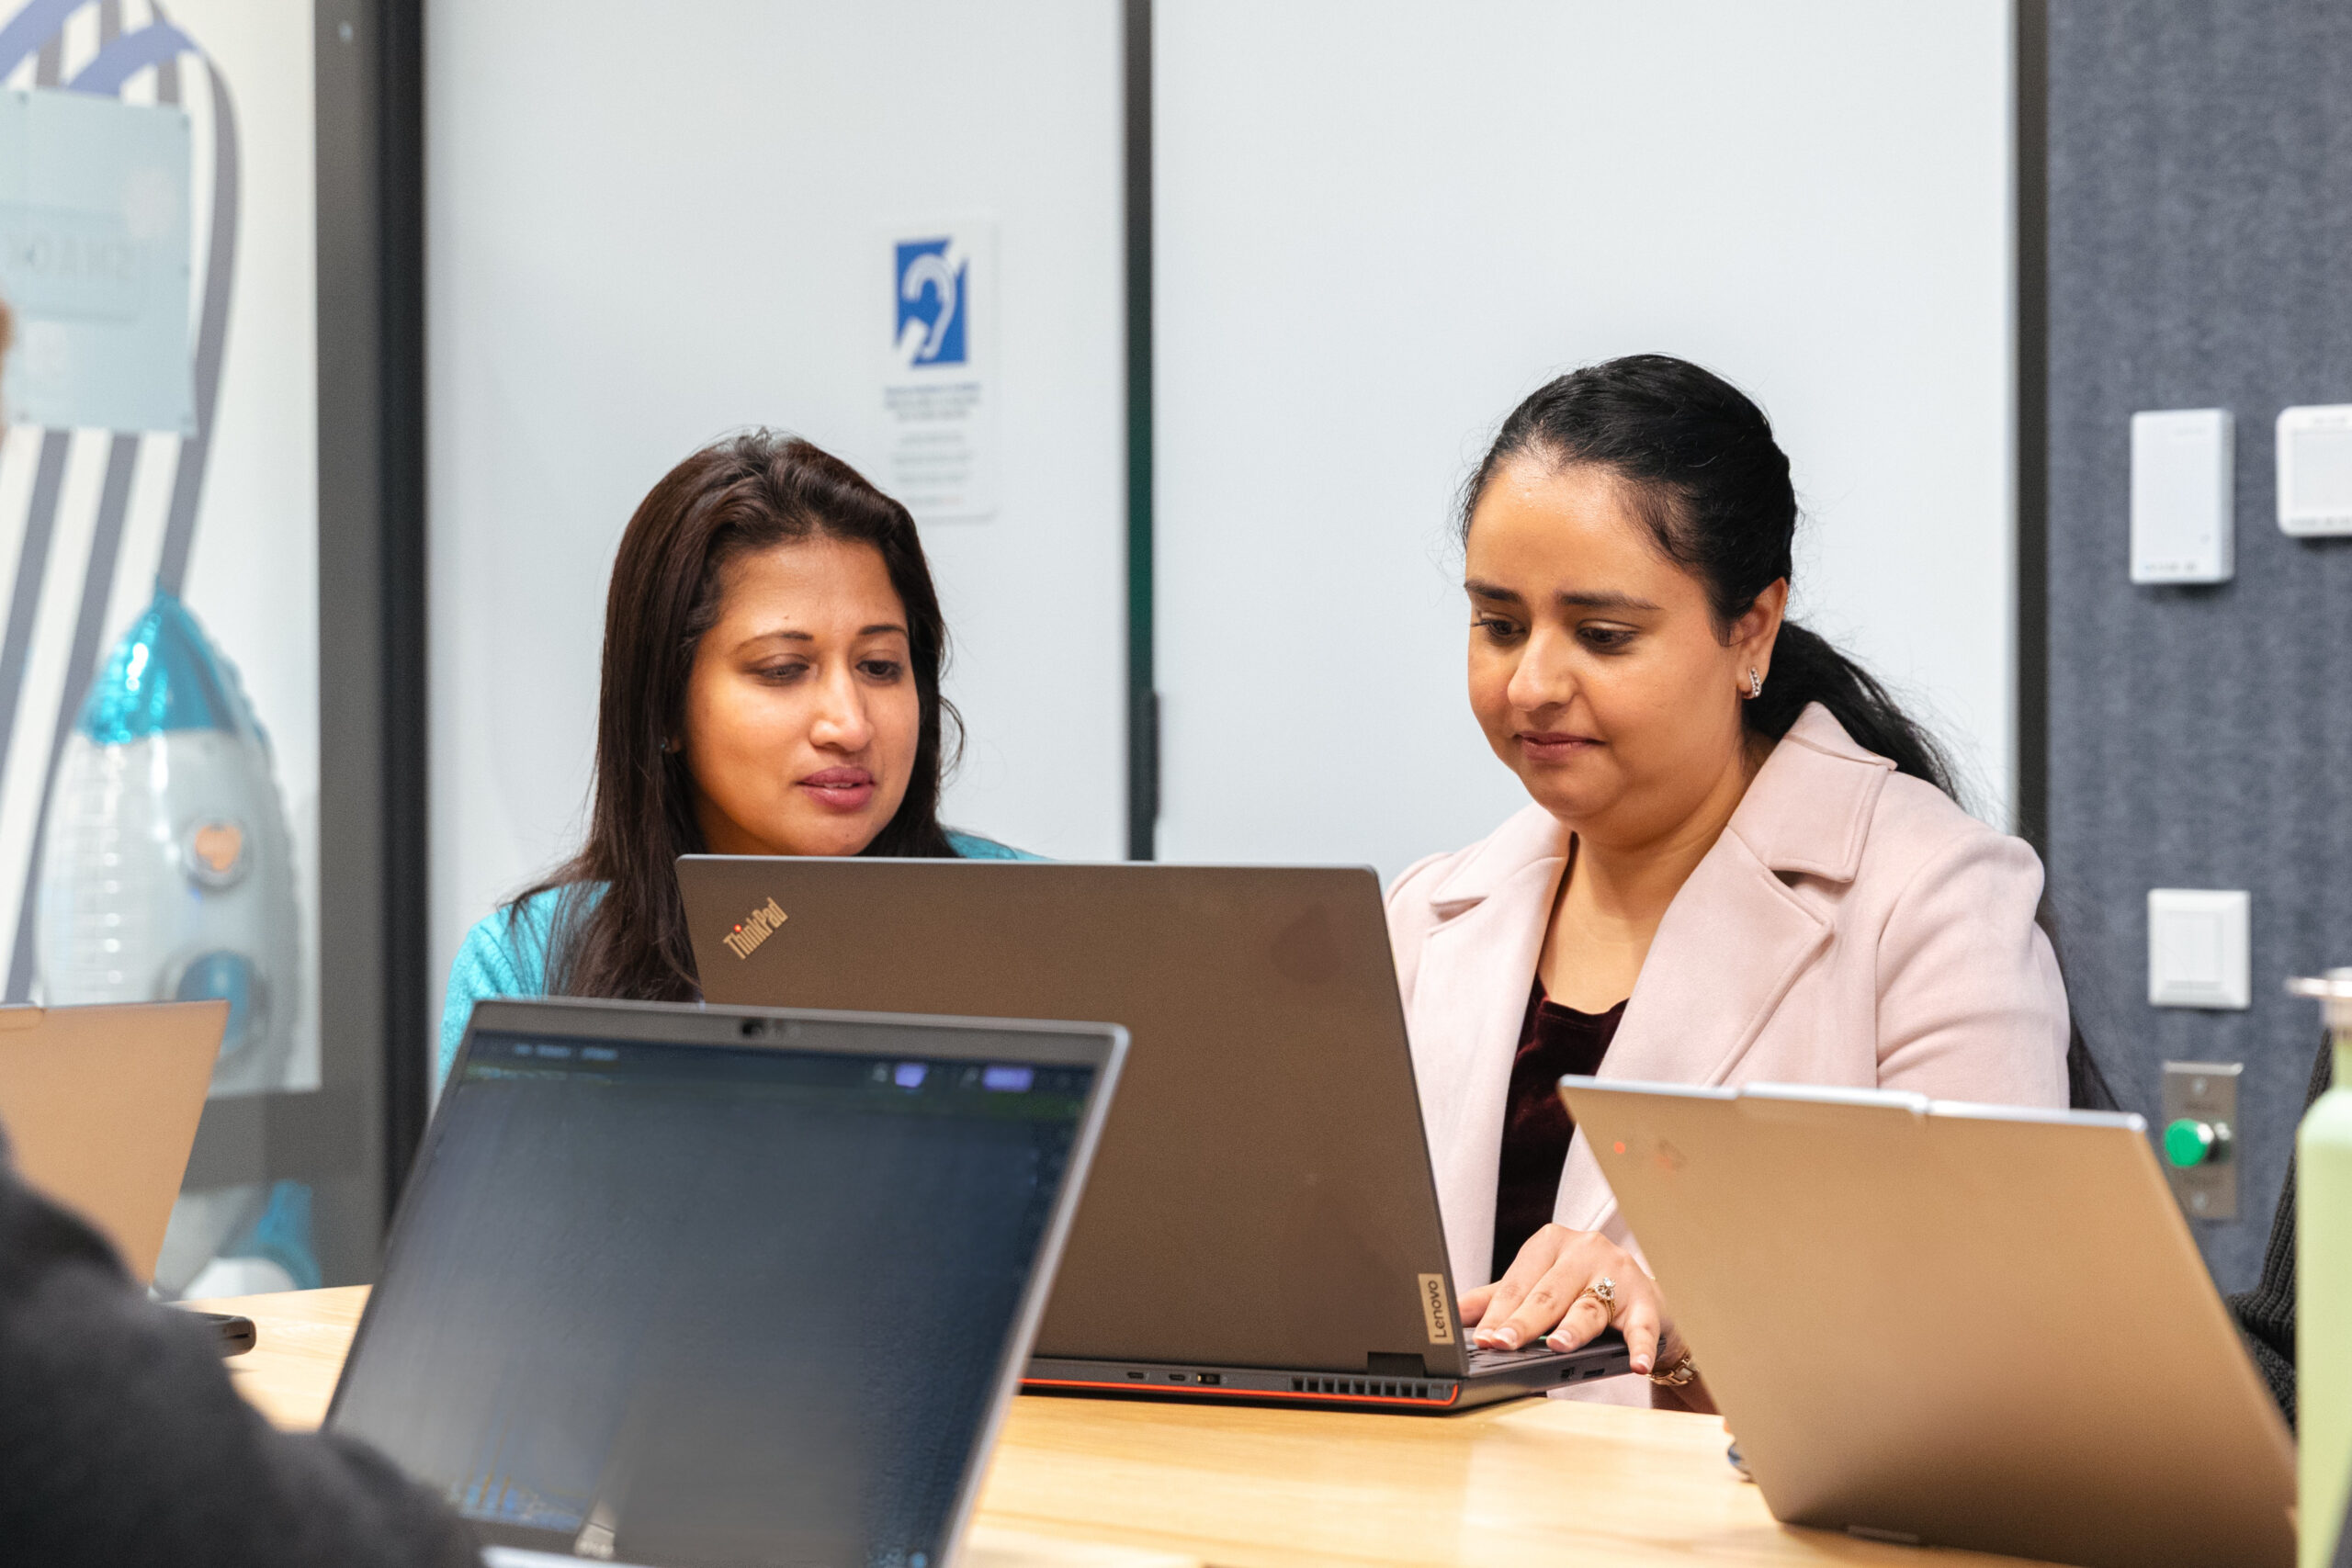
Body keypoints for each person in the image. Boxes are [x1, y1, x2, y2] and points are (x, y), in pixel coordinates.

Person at [1385, 355, 2077, 1404]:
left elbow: (2001, 1346)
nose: (1530, 684)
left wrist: (1681, 1320)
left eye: (1602, 634)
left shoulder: (1931, 902)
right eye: (1499, 625)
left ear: (1748, 629)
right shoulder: (1427, 912)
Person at [441, 434, 1032, 1080]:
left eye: (880, 665)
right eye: (784, 669)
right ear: (665, 708)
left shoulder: (1043, 921)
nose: (849, 723)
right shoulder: (530, 968)